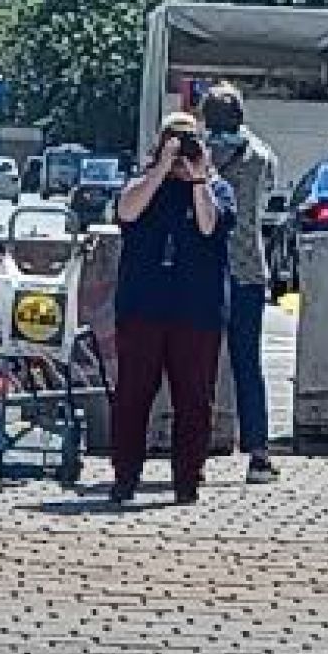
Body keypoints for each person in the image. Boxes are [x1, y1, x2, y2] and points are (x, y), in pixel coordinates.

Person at [109, 113, 236, 505]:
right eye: (174, 142)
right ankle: (125, 477)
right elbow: (126, 212)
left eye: (188, 142)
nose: (182, 150)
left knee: (195, 400)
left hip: (195, 310)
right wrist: (161, 169)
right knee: (132, 396)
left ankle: (187, 481)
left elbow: (209, 226)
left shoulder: (217, 188)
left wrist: (199, 179)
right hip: (142, 307)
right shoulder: (144, 183)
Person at [199, 83, 280, 485]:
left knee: (198, 362)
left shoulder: (199, 156)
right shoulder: (261, 156)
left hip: (204, 270)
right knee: (248, 363)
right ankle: (259, 454)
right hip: (249, 268)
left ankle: (193, 449)